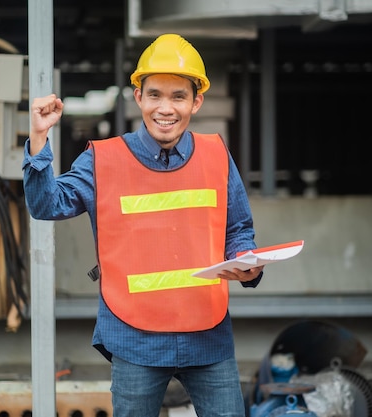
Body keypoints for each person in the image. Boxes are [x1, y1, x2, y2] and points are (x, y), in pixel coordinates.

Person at [22, 33, 264, 417]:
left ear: (196, 101)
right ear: (138, 97)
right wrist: (38, 138)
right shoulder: (103, 160)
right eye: (154, 95)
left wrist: (245, 261)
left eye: (178, 96)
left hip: (208, 333)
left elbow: (237, 231)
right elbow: (46, 204)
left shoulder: (217, 155)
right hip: (135, 336)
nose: (165, 108)